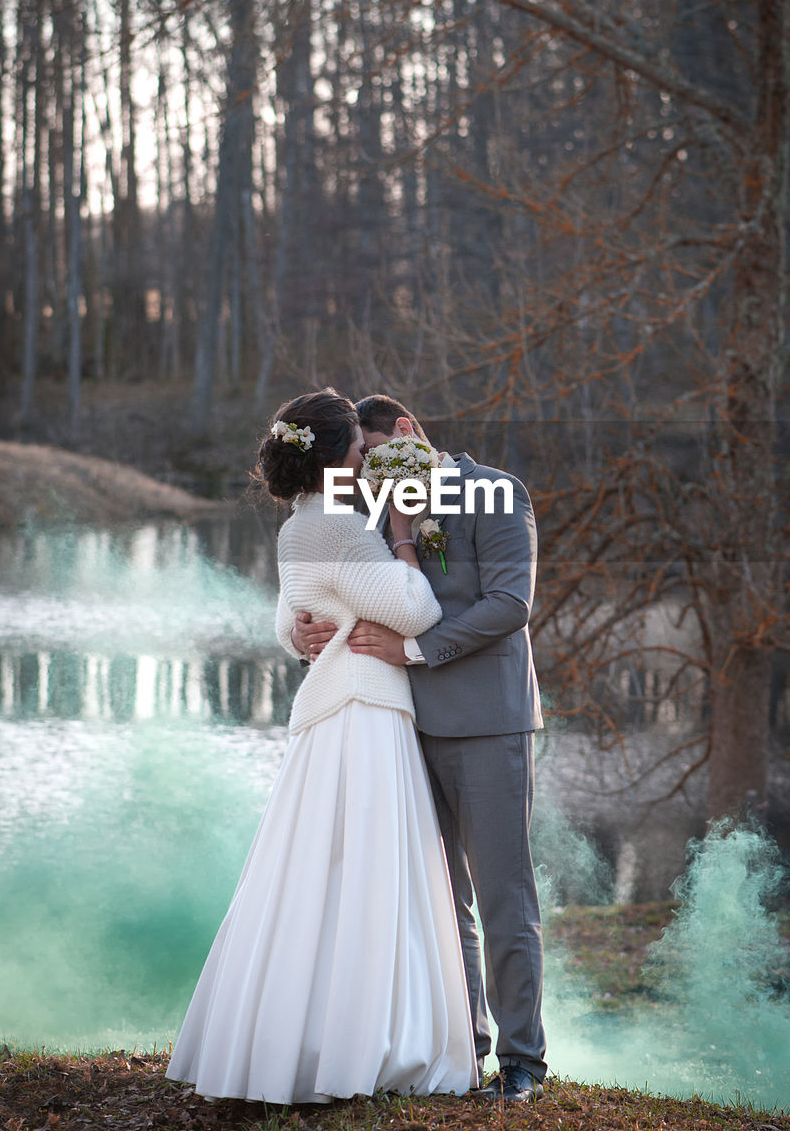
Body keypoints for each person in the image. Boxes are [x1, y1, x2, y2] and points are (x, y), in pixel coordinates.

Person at [166, 389, 477, 1104]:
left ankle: (306, 1036)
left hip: (337, 708)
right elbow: (417, 608)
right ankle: (364, 1042)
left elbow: (291, 613)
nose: (370, 461)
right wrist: (403, 533)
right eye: (363, 452)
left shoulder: (301, 525)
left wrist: (299, 633)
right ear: (338, 456)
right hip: (363, 709)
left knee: (319, 873)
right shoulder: (342, 524)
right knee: (369, 872)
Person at [291, 395, 547, 1101]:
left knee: (502, 895)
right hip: (397, 729)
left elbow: (509, 603)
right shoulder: (367, 502)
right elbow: (317, 564)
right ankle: (463, 1049)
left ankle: (523, 1061)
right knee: (437, 900)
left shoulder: (494, 490)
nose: (366, 468)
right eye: (360, 461)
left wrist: (414, 647)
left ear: (406, 431)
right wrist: (301, 632)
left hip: (486, 723)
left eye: (373, 452)